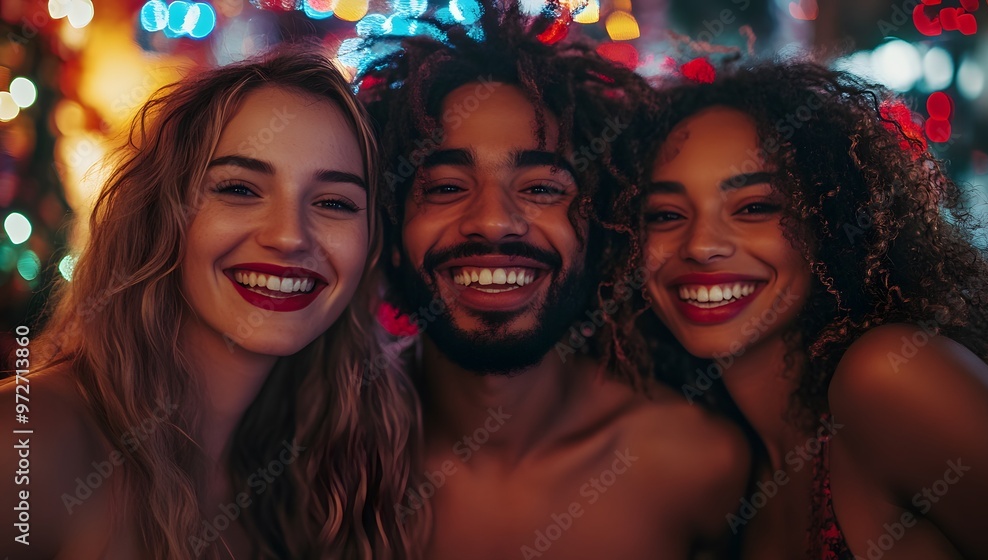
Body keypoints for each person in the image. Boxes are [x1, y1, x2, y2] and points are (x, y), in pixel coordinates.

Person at [357, 3, 750, 558]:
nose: (493, 220)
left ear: (602, 232)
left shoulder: (699, 464)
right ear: (391, 232)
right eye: (445, 187)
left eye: (542, 188)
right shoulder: (324, 462)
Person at [0, 46, 425, 559]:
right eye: (240, 189)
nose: (290, 236)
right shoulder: (28, 441)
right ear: (161, 216)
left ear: (371, 242)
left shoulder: (322, 475)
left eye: (334, 202)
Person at [632, 59, 988, 559]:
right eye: (665, 215)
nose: (700, 246)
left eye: (755, 207)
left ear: (827, 221)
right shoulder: (734, 475)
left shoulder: (888, 375)